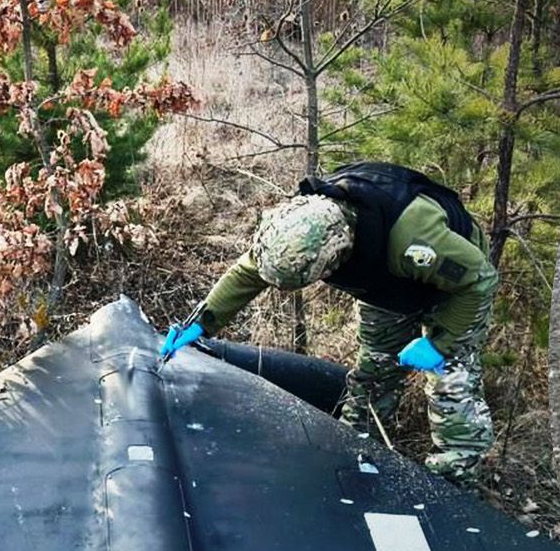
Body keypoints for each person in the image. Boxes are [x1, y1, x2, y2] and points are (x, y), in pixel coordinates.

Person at [165, 162, 499, 485]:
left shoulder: (413, 240)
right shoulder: (296, 229)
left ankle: (456, 482)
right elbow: (248, 272)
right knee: (374, 373)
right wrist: (203, 322)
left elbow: (478, 280)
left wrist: (439, 343)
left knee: (451, 385)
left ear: (336, 256)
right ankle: (356, 455)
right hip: (388, 289)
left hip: (456, 292)